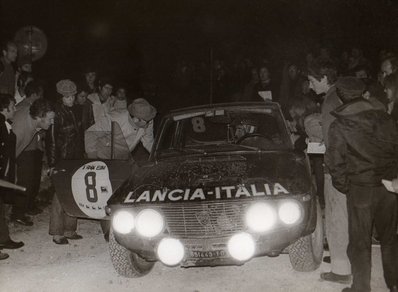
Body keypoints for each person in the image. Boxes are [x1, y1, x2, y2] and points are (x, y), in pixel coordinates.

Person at [326, 76, 398, 292]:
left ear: (340, 96)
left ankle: (361, 288)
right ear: (362, 93)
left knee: (360, 243)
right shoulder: (385, 118)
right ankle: (394, 284)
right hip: (389, 189)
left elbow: (335, 162)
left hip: (360, 190)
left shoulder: (340, 125)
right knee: (390, 238)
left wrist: (346, 186)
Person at [308, 62, 352, 284]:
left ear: (324, 78)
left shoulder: (331, 101)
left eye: (312, 80)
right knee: (343, 215)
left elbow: (334, 140)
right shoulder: (339, 95)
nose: (310, 85)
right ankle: (340, 256)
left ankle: (341, 270)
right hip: (346, 164)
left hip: (336, 167)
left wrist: (330, 168)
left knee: (336, 216)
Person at [49, 80, 83, 244]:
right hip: (62, 160)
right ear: (60, 97)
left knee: (73, 191)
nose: (71, 99)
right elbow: (52, 141)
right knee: (59, 194)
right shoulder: (56, 114)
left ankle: (70, 229)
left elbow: (77, 137)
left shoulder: (74, 111)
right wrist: (53, 164)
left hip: (74, 159)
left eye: (72, 96)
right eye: (67, 97)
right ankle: (57, 232)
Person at [11, 99, 55, 226]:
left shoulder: (33, 116)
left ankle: (19, 212)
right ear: (38, 117)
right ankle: (16, 215)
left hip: (21, 148)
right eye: (50, 119)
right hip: (10, 149)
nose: (52, 122)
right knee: (21, 179)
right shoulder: (19, 130)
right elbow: (8, 154)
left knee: (27, 178)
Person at [85, 98, 156, 159]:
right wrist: (92, 158)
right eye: (147, 121)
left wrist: (157, 155)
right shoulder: (114, 119)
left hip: (122, 158)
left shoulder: (148, 120)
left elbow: (149, 141)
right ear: (136, 119)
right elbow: (91, 133)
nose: (150, 123)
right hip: (102, 157)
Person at [0, 94, 24, 260]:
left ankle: (3, 239)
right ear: (4, 108)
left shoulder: (4, 124)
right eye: (12, 106)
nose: (15, 109)